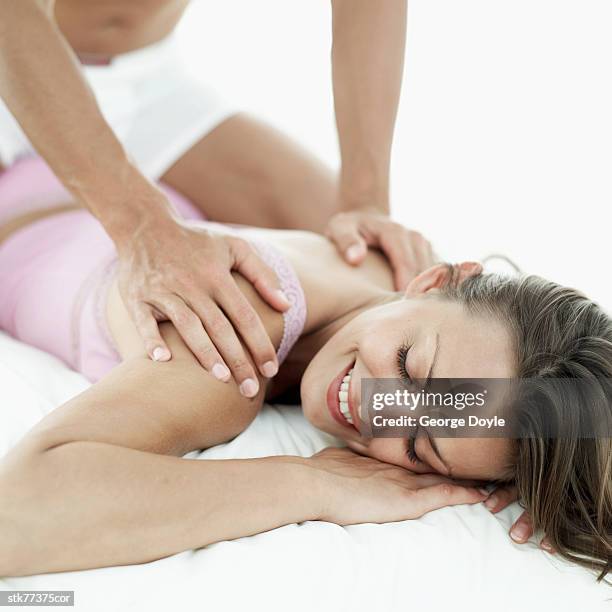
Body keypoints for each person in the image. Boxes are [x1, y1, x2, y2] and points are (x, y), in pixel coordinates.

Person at [0, 158, 610, 580]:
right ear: (434, 280)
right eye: (409, 368)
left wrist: (535, 471)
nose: (375, 408)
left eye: (419, 445)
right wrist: (317, 483)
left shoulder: (442, 323)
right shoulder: (230, 346)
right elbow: (19, 513)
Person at [0, 0, 434, 397]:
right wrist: (142, 225)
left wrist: (366, 200)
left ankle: (486, 449)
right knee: (195, 354)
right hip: (14, 47)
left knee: (394, 280)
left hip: (142, 80)